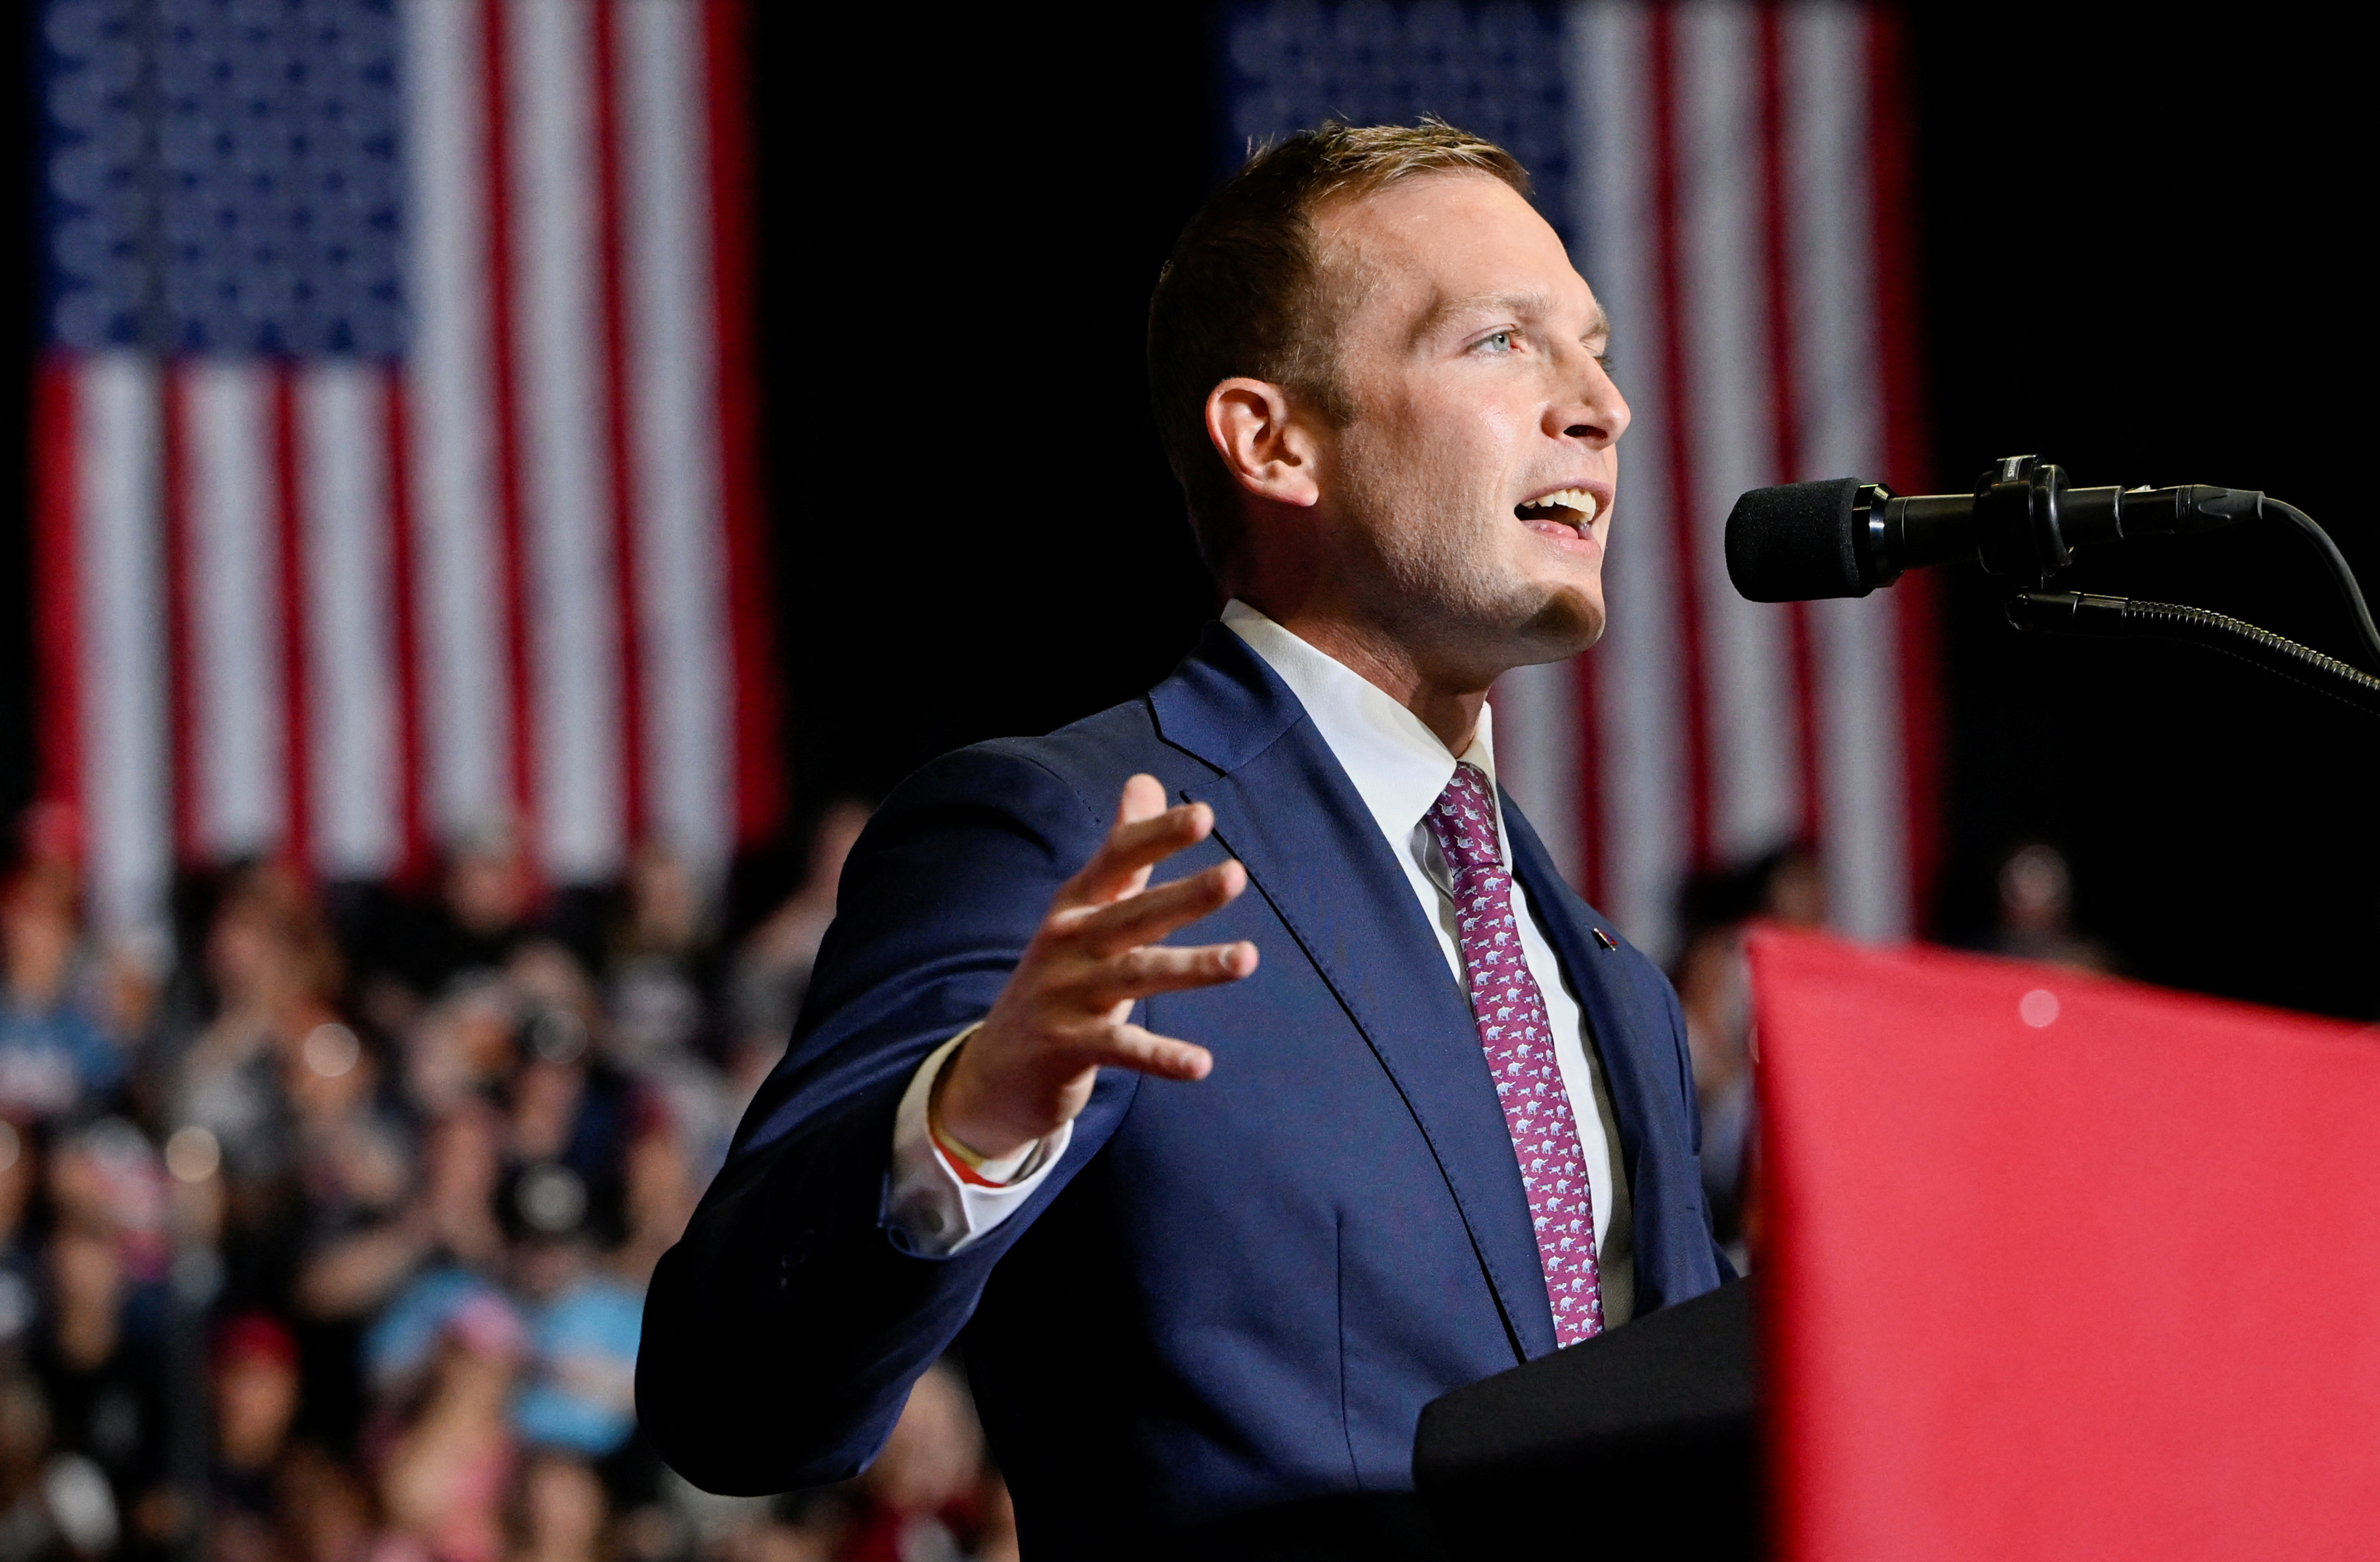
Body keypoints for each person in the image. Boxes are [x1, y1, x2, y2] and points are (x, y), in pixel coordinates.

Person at [639, 122, 1730, 1556]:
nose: (1599, 404)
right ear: (1274, 440)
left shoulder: (1605, 976)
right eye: (1500, 344)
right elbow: (734, 1397)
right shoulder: (1072, 839)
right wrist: (965, 1124)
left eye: (1591, 348)